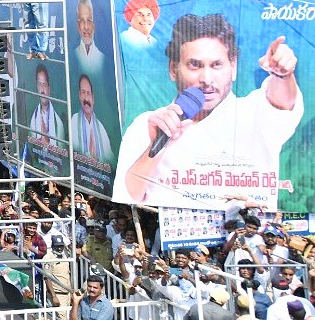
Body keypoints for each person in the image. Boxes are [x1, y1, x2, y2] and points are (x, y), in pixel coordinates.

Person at [112, 15, 302, 210]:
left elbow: (281, 104)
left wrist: (282, 75)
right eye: (194, 65)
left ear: (233, 67)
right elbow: (128, 195)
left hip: (242, 236)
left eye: (216, 65)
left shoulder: (253, 114)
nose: (207, 79)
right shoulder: (148, 124)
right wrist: (155, 147)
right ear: (173, 69)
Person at [69, 74, 114, 165]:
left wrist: (97, 160)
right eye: (83, 93)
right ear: (79, 96)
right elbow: (72, 154)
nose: (86, 98)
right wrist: (90, 157)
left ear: (93, 99)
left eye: (88, 93)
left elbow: (111, 162)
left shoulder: (101, 129)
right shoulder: (74, 121)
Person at [27, 63, 66, 147]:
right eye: (39, 84)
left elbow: (62, 154)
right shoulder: (32, 118)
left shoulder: (59, 122)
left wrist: (47, 143)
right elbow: (30, 148)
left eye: (44, 84)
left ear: (49, 88)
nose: (42, 90)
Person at [72, 0, 106, 78]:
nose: (86, 27)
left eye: (89, 20)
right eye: (82, 20)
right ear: (77, 24)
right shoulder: (71, 56)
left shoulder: (104, 59)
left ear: (94, 24)